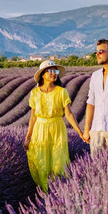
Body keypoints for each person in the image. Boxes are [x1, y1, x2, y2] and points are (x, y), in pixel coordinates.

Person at [24, 60, 84, 192]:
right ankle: (46, 194)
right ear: (43, 75)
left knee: (59, 163)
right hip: (40, 130)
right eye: (50, 71)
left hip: (57, 129)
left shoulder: (62, 92)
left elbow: (68, 114)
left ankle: (59, 193)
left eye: (55, 71)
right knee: (41, 163)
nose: (54, 74)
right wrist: (28, 137)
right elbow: (33, 117)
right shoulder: (34, 93)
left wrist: (80, 132)